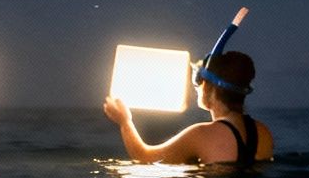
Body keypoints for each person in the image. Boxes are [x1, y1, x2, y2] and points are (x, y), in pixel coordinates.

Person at [103, 50, 273, 164]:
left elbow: (145, 158)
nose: (196, 88)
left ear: (208, 86)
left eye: (198, 82)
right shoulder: (263, 133)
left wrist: (125, 122)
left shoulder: (201, 135)